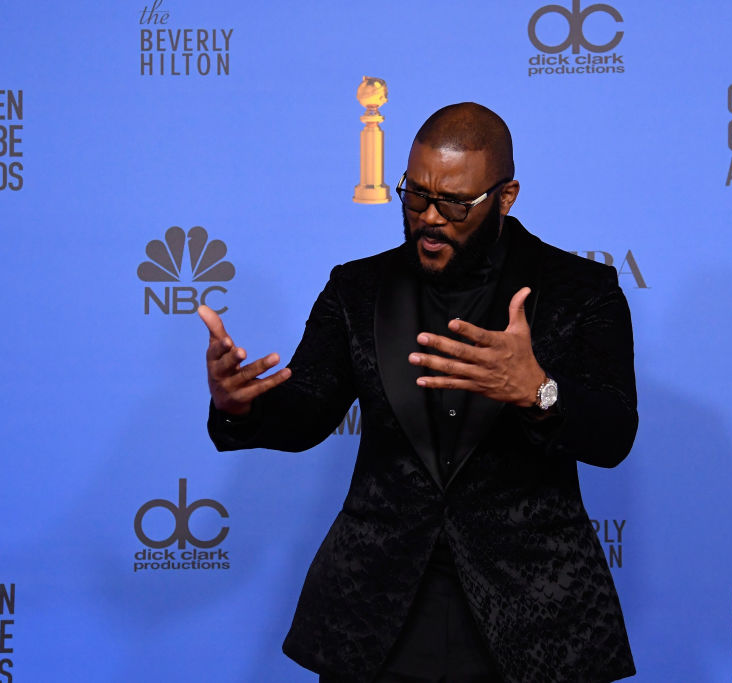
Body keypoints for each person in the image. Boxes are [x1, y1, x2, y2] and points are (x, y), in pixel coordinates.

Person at [199, 102, 637, 683]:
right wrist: (240, 406)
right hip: (377, 612)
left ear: (505, 198)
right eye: (414, 196)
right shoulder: (357, 288)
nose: (429, 217)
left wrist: (538, 391)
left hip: (534, 614)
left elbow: (613, 436)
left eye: (455, 203)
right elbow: (306, 410)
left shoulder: (581, 290)